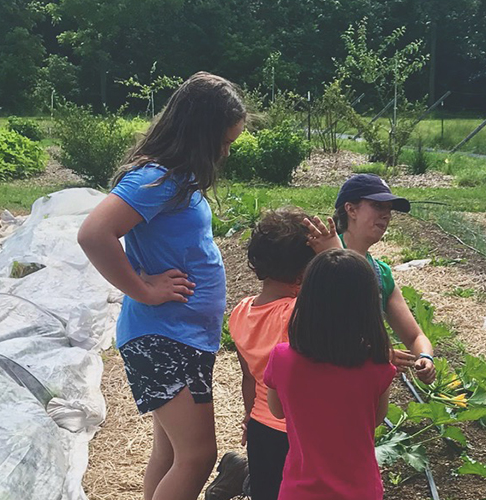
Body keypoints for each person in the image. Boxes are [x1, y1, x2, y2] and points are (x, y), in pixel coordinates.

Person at [77, 71, 246, 500]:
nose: (225, 153)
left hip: (180, 336)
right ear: (200, 134)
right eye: (223, 143)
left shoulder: (177, 179)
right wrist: (143, 288)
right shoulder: (157, 178)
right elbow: (94, 233)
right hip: (164, 337)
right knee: (198, 456)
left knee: (170, 455)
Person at [205, 208, 340, 500]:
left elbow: (249, 379)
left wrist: (248, 417)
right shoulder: (295, 314)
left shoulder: (241, 313)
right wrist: (334, 254)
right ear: (305, 273)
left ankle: (240, 471)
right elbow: (346, 296)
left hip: (261, 426)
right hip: (299, 433)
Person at [264, 248, 396, 500]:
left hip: (299, 491)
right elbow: (376, 418)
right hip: (361, 491)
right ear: (366, 306)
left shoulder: (282, 359)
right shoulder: (378, 366)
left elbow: (277, 410)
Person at [334, 173, 436, 383]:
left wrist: (425, 357)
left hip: (362, 388)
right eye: (377, 206)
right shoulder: (322, 259)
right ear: (351, 209)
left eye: (389, 210)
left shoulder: (380, 274)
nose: (386, 215)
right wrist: (373, 353)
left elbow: (415, 336)